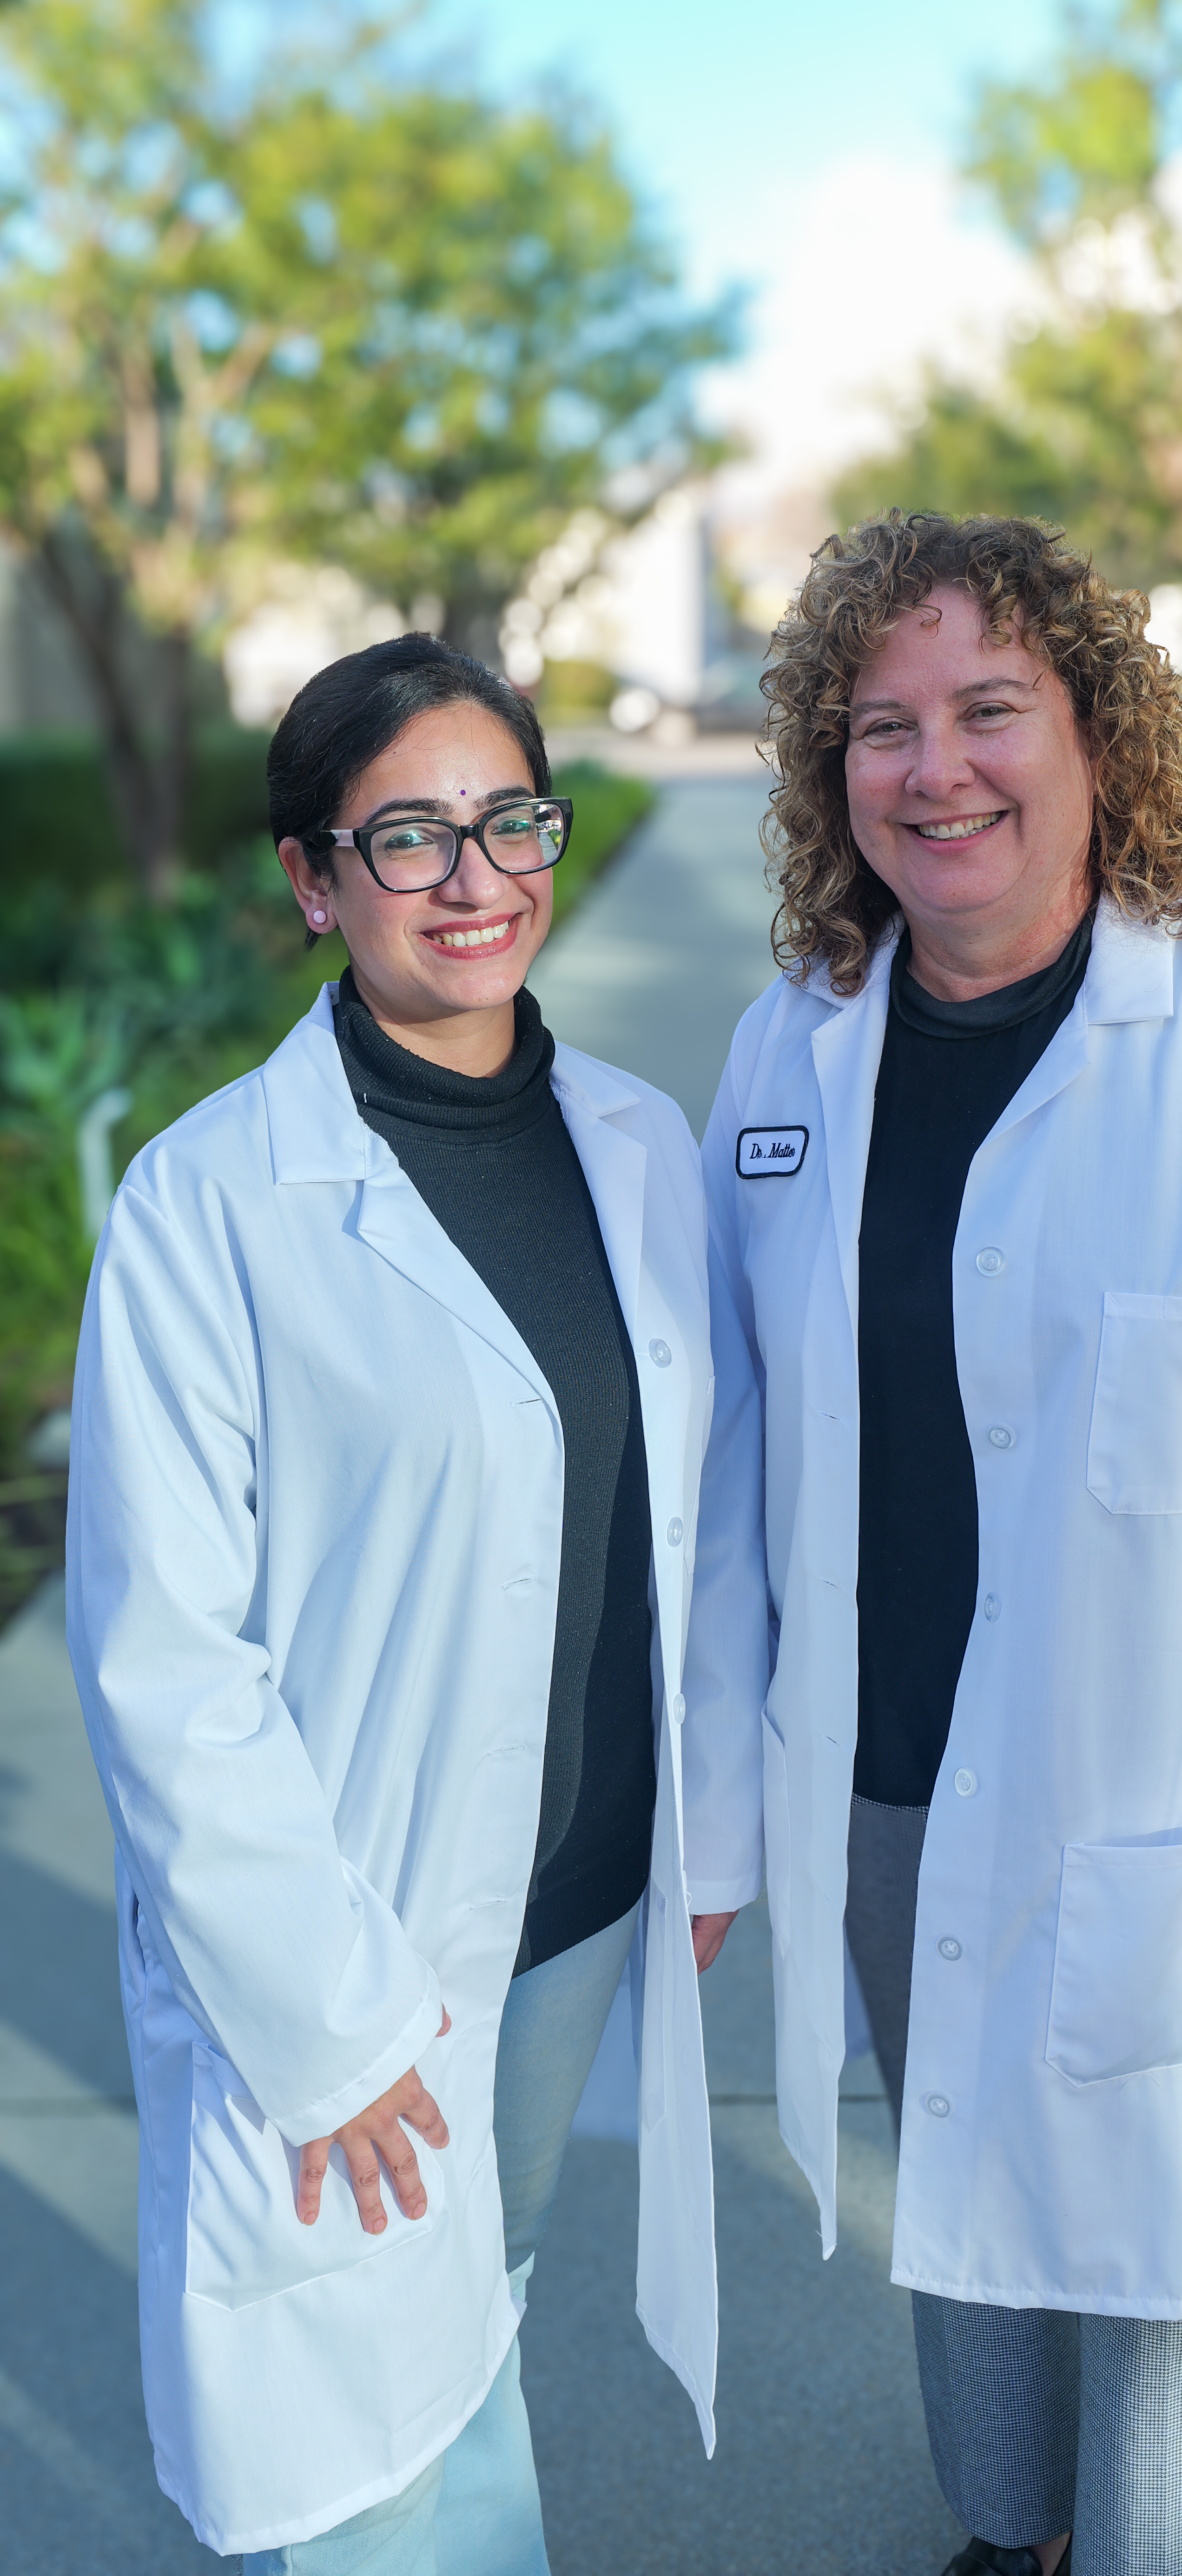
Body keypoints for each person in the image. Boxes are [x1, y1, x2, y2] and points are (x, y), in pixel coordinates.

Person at [679, 514, 1182, 2576]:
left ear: (1097, 741)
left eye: (986, 710)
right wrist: (711, 1800)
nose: (932, 770)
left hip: (1179, 1786)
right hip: (881, 1769)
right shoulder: (796, 1041)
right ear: (826, 773)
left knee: (1172, 2238)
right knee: (955, 2180)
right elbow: (731, 1443)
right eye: (879, 727)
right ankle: (1006, 2531)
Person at [66, 635, 720, 2571]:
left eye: (508, 819)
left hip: (579, 1905)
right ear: (311, 879)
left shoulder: (636, 1145)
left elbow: (704, 1520)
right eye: (407, 835)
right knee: (351, 2423)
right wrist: (327, 2023)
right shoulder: (209, 1205)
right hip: (348, 1936)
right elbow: (164, 1662)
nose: (473, 876)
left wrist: (710, 1840)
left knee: (477, 2306)